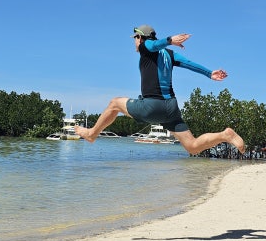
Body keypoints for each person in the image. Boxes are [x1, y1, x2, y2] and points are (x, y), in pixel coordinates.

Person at [75, 25, 246, 155]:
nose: (134, 42)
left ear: (140, 37)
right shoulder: (169, 54)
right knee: (193, 147)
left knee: (114, 103)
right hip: (171, 108)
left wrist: (170, 39)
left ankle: (91, 134)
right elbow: (189, 64)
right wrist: (209, 73)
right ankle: (225, 135)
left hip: (152, 105)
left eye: (135, 38)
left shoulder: (146, 46)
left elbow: (153, 44)